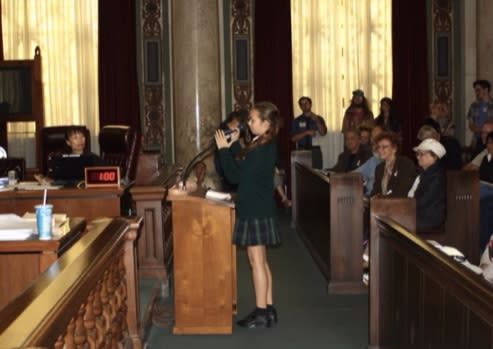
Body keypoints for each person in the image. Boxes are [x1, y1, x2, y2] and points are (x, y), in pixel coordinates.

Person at [215, 101, 281, 329]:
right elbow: (244, 163)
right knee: (261, 261)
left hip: (254, 209)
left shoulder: (262, 147)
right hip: (259, 207)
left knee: (256, 262)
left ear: (266, 123)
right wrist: (232, 146)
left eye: (253, 120)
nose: (249, 124)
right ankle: (269, 308)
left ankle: (261, 311)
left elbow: (234, 176)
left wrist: (223, 150)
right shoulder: (262, 143)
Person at [408, 138, 447, 232]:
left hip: (429, 217)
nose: (418, 157)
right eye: (417, 154)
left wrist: (403, 207)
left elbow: (423, 201)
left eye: (422, 154)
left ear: (434, 157)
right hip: (420, 213)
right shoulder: (424, 172)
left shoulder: (436, 177)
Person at [371, 132, 417, 197]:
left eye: (384, 147)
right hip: (382, 205)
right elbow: (375, 191)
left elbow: (403, 191)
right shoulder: (379, 168)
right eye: (378, 147)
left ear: (394, 149)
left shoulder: (405, 164)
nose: (380, 150)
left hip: (401, 205)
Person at [214, 110, 247, 192]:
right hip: (228, 184)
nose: (232, 129)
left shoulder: (247, 143)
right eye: (230, 126)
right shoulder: (223, 142)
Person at [290, 96, 327, 169]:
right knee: (302, 175)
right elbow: (293, 139)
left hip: (315, 151)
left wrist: (316, 121)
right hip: (302, 150)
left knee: (317, 174)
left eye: (306, 103)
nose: (304, 106)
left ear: (310, 104)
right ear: (300, 106)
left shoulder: (319, 118)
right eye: (302, 104)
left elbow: (323, 133)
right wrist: (306, 132)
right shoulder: (296, 120)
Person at [354, 125, 385, 195]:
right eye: (373, 137)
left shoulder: (398, 163)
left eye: (379, 137)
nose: (375, 140)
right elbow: (354, 174)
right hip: (366, 198)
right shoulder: (373, 160)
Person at [466, 80, 493, 155]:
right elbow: (471, 125)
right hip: (477, 139)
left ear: (486, 89)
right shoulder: (473, 106)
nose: (476, 93)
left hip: (491, 139)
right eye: (475, 91)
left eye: (478, 90)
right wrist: (480, 130)